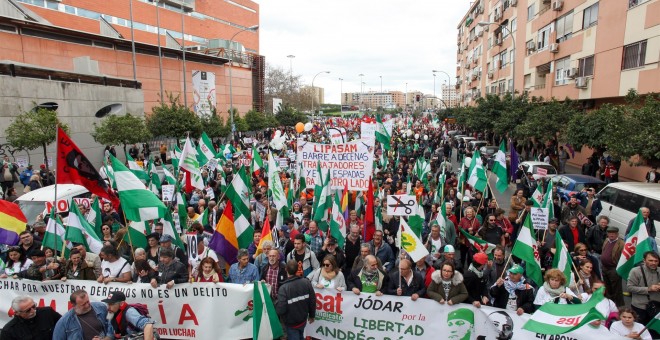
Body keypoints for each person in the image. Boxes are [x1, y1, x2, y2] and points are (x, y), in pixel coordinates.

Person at [276, 259, 316, 340]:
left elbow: (281, 309)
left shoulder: (283, 288)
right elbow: (312, 300)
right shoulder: (306, 282)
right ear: (298, 268)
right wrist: (312, 315)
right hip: (303, 320)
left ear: (286, 269)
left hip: (291, 324)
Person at [627, 251, 660, 326]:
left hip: (656, 306)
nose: (654, 263)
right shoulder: (635, 271)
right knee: (640, 330)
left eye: (656, 261)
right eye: (650, 260)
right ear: (644, 260)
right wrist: (648, 289)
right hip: (640, 307)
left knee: (654, 331)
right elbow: (630, 287)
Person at [601, 226, 625, 306]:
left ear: (617, 234)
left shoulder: (621, 244)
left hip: (614, 269)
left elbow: (624, 257)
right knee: (607, 288)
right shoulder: (607, 240)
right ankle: (610, 304)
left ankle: (619, 306)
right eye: (610, 233)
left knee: (616, 289)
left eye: (613, 233)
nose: (611, 235)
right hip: (605, 268)